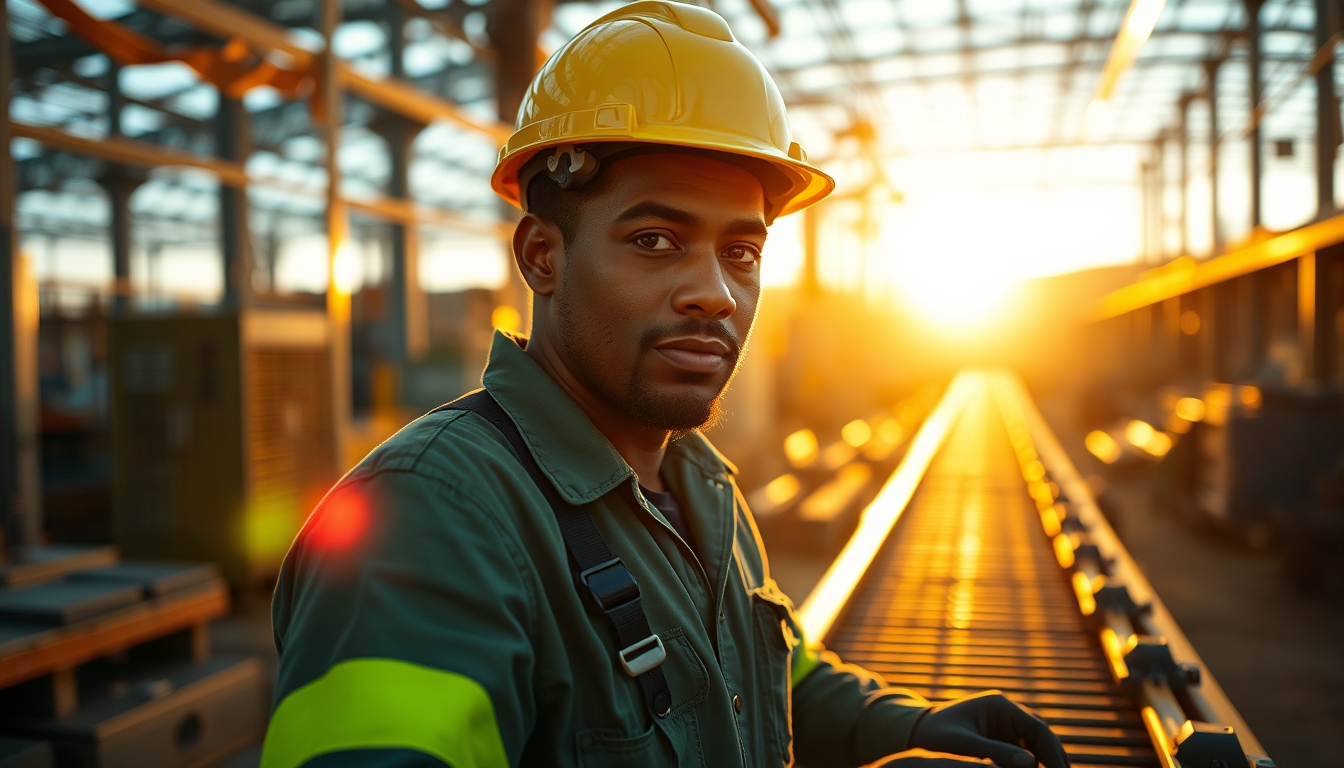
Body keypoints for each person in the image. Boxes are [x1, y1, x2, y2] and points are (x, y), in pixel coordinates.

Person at [260, 3, 1070, 767]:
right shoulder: (433, 519)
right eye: (655, 239)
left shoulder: (698, 485)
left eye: (741, 253)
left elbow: (754, 683)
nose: (714, 291)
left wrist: (906, 727)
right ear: (542, 256)